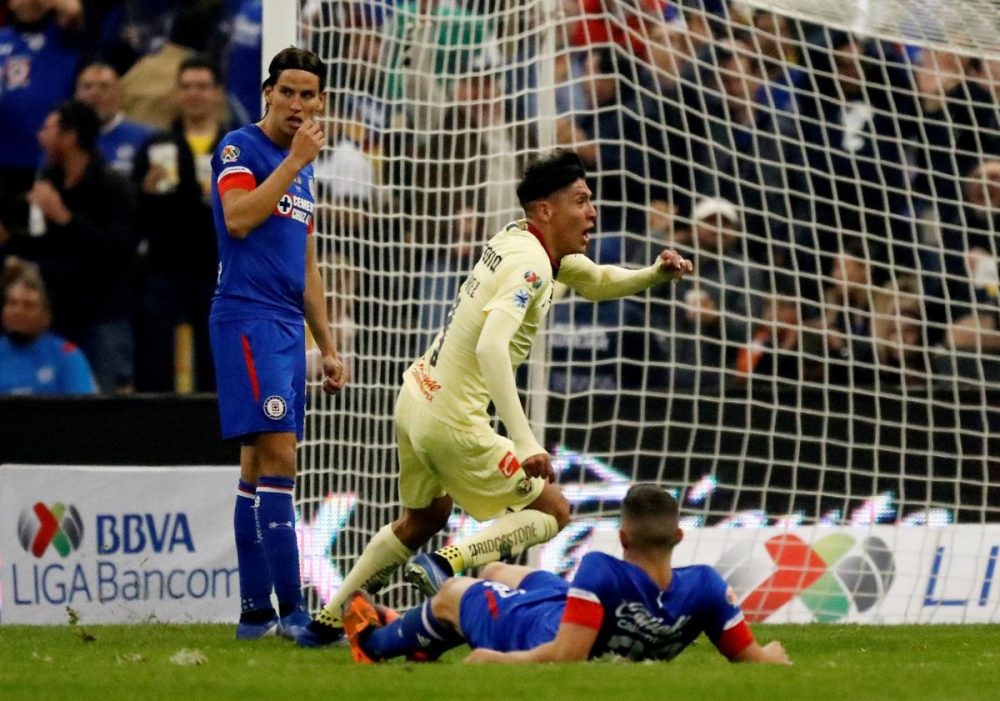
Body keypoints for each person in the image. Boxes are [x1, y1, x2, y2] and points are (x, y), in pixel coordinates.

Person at [298, 149, 693, 647]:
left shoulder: (517, 238)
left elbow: (594, 280)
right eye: (580, 201)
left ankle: (324, 624)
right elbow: (491, 346)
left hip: (417, 394)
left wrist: (653, 274)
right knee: (554, 510)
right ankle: (447, 563)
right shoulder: (531, 266)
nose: (592, 212)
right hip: (452, 419)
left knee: (422, 518)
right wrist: (525, 442)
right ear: (546, 210)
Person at [209, 47, 348, 640]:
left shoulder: (304, 168)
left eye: (307, 95)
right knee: (281, 457)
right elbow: (238, 218)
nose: (296, 103)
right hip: (247, 317)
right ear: (268, 93)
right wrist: (293, 162)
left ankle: (255, 615)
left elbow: (307, 264)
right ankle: (294, 612)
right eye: (286, 91)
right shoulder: (239, 148)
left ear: (321, 102)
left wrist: (328, 345)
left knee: (256, 466)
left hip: (288, 327)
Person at [341, 483, 791, 665]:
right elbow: (756, 658)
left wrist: (496, 660)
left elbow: (563, 656)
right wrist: (772, 654)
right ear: (678, 535)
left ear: (623, 538)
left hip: (532, 631)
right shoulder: (705, 586)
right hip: (569, 610)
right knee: (498, 569)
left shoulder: (602, 570)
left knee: (454, 592)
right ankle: (423, 640)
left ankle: (374, 644)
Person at [0, 99, 136, 394]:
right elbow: (42, 246)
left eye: (48, 129)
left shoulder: (112, 185)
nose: (40, 137)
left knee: (105, 410)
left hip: (102, 320)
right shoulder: (48, 182)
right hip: (56, 319)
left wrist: (64, 218)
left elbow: (118, 252)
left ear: (70, 136)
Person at [133, 54, 238, 393]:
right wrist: (145, 191)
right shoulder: (156, 146)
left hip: (216, 267)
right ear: (177, 93)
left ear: (217, 92)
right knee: (156, 359)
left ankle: (212, 421)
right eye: (187, 86)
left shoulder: (236, 147)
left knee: (215, 360)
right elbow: (136, 213)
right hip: (165, 265)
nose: (195, 94)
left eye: (202, 86)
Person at [0, 267, 96, 395]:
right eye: (12, 303)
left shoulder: (67, 356)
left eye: (29, 305)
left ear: (46, 317)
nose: (17, 311)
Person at [74, 60, 153, 180]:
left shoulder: (148, 137)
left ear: (120, 94)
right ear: (76, 96)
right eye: (87, 87)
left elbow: (166, 186)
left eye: (104, 87)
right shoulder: (62, 140)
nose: (95, 93)